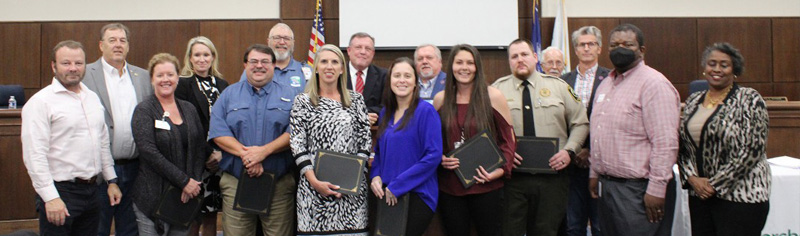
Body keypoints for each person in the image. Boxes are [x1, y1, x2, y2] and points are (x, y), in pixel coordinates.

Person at [22, 40, 122, 236]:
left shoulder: (92, 98)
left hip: (93, 192)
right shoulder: (41, 102)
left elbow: (101, 143)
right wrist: (50, 198)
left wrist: (112, 180)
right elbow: (35, 156)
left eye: (78, 63)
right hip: (60, 192)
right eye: (66, 63)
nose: (73, 68)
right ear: (54, 66)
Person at [588, 23, 680, 236]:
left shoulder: (654, 84)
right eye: (614, 45)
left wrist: (657, 189)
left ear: (642, 50)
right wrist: (594, 172)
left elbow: (665, 143)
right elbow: (599, 133)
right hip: (607, 186)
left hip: (639, 190)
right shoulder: (605, 84)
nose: (620, 48)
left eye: (627, 44)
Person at [492, 39, 589, 236]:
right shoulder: (496, 90)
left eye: (524, 54)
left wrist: (569, 151)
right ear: (509, 62)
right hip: (513, 179)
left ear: (535, 58)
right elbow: (486, 129)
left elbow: (580, 123)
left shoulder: (559, 87)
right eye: (514, 56)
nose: (520, 60)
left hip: (552, 178)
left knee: (547, 232)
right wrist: (501, 154)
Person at [678, 42, 771, 236]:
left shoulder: (749, 99)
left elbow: (752, 151)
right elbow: (683, 147)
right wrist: (692, 178)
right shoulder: (694, 100)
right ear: (705, 68)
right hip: (700, 197)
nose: (717, 69)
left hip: (741, 197)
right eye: (712, 64)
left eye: (724, 64)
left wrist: (714, 185)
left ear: (734, 70)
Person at [208, 44, 298, 236]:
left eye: (265, 61)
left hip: (278, 184)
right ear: (245, 65)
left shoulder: (291, 96)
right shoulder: (228, 95)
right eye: (254, 61)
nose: (259, 66)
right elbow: (218, 132)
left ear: (274, 65)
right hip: (236, 181)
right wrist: (249, 156)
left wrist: (263, 152)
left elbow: (296, 132)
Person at [432, 44, 515, 236]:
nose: (464, 67)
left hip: (487, 184)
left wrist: (500, 170)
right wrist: (440, 158)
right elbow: (433, 143)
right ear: (451, 66)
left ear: (477, 66)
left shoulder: (493, 96)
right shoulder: (440, 99)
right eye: (459, 62)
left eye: (470, 63)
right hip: (450, 187)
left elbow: (508, 140)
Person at [290, 44, 372, 235]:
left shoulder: (356, 100)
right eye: (324, 61)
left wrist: (350, 181)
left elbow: (365, 141)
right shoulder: (302, 101)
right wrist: (315, 182)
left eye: (335, 62)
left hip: (351, 194)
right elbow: (297, 143)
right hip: (313, 193)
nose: (329, 66)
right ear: (316, 67)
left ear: (342, 68)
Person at [82, 23, 152, 236]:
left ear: (128, 46)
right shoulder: (85, 75)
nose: (118, 45)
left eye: (122, 40)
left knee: (131, 228)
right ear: (101, 45)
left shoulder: (143, 77)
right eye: (112, 40)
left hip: (135, 168)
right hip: (100, 170)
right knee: (98, 228)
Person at [130, 53, 207, 236]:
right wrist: (183, 181)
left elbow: (199, 147)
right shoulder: (144, 110)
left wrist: (193, 183)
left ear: (178, 77)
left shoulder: (189, 108)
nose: (166, 79)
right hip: (152, 196)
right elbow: (149, 152)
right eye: (160, 75)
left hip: (184, 197)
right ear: (152, 79)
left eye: (170, 75)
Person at [370, 57, 443, 236]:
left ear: (415, 82)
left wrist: (399, 185)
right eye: (397, 75)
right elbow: (378, 153)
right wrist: (375, 176)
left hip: (417, 194)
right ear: (390, 81)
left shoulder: (426, 111)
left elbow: (433, 156)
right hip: (387, 194)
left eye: (407, 76)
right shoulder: (386, 112)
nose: (402, 80)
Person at [174, 36, 229, 236]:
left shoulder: (223, 85)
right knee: (193, 215)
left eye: (206, 54)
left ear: (213, 57)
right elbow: (186, 125)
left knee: (211, 214)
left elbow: (229, 121)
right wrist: (208, 154)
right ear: (189, 58)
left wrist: (221, 153)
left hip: (221, 159)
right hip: (195, 160)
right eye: (197, 55)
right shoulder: (182, 84)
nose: (202, 59)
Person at [559, 25, 610, 236]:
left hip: (601, 162)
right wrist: (573, 150)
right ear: (575, 49)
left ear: (599, 48)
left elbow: (609, 122)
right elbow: (560, 122)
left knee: (600, 226)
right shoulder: (562, 81)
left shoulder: (611, 79)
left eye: (591, 44)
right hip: (570, 163)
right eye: (582, 44)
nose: (587, 48)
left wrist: (589, 150)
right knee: (573, 225)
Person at [238, 23, 311, 94]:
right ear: (268, 41)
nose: (282, 42)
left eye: (286, 38)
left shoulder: (306, 71)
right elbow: (242, 96)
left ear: (293, 43)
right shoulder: (255, 69)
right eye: (277, 38)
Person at [346, 32, 388, 124]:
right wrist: (361, 116)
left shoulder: (384, 75)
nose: (363, 52)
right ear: (349, 51)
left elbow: (386, 106)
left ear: (373, 53)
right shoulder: (338, 74)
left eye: (368, 49)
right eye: (358, 47)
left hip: (373, 133)